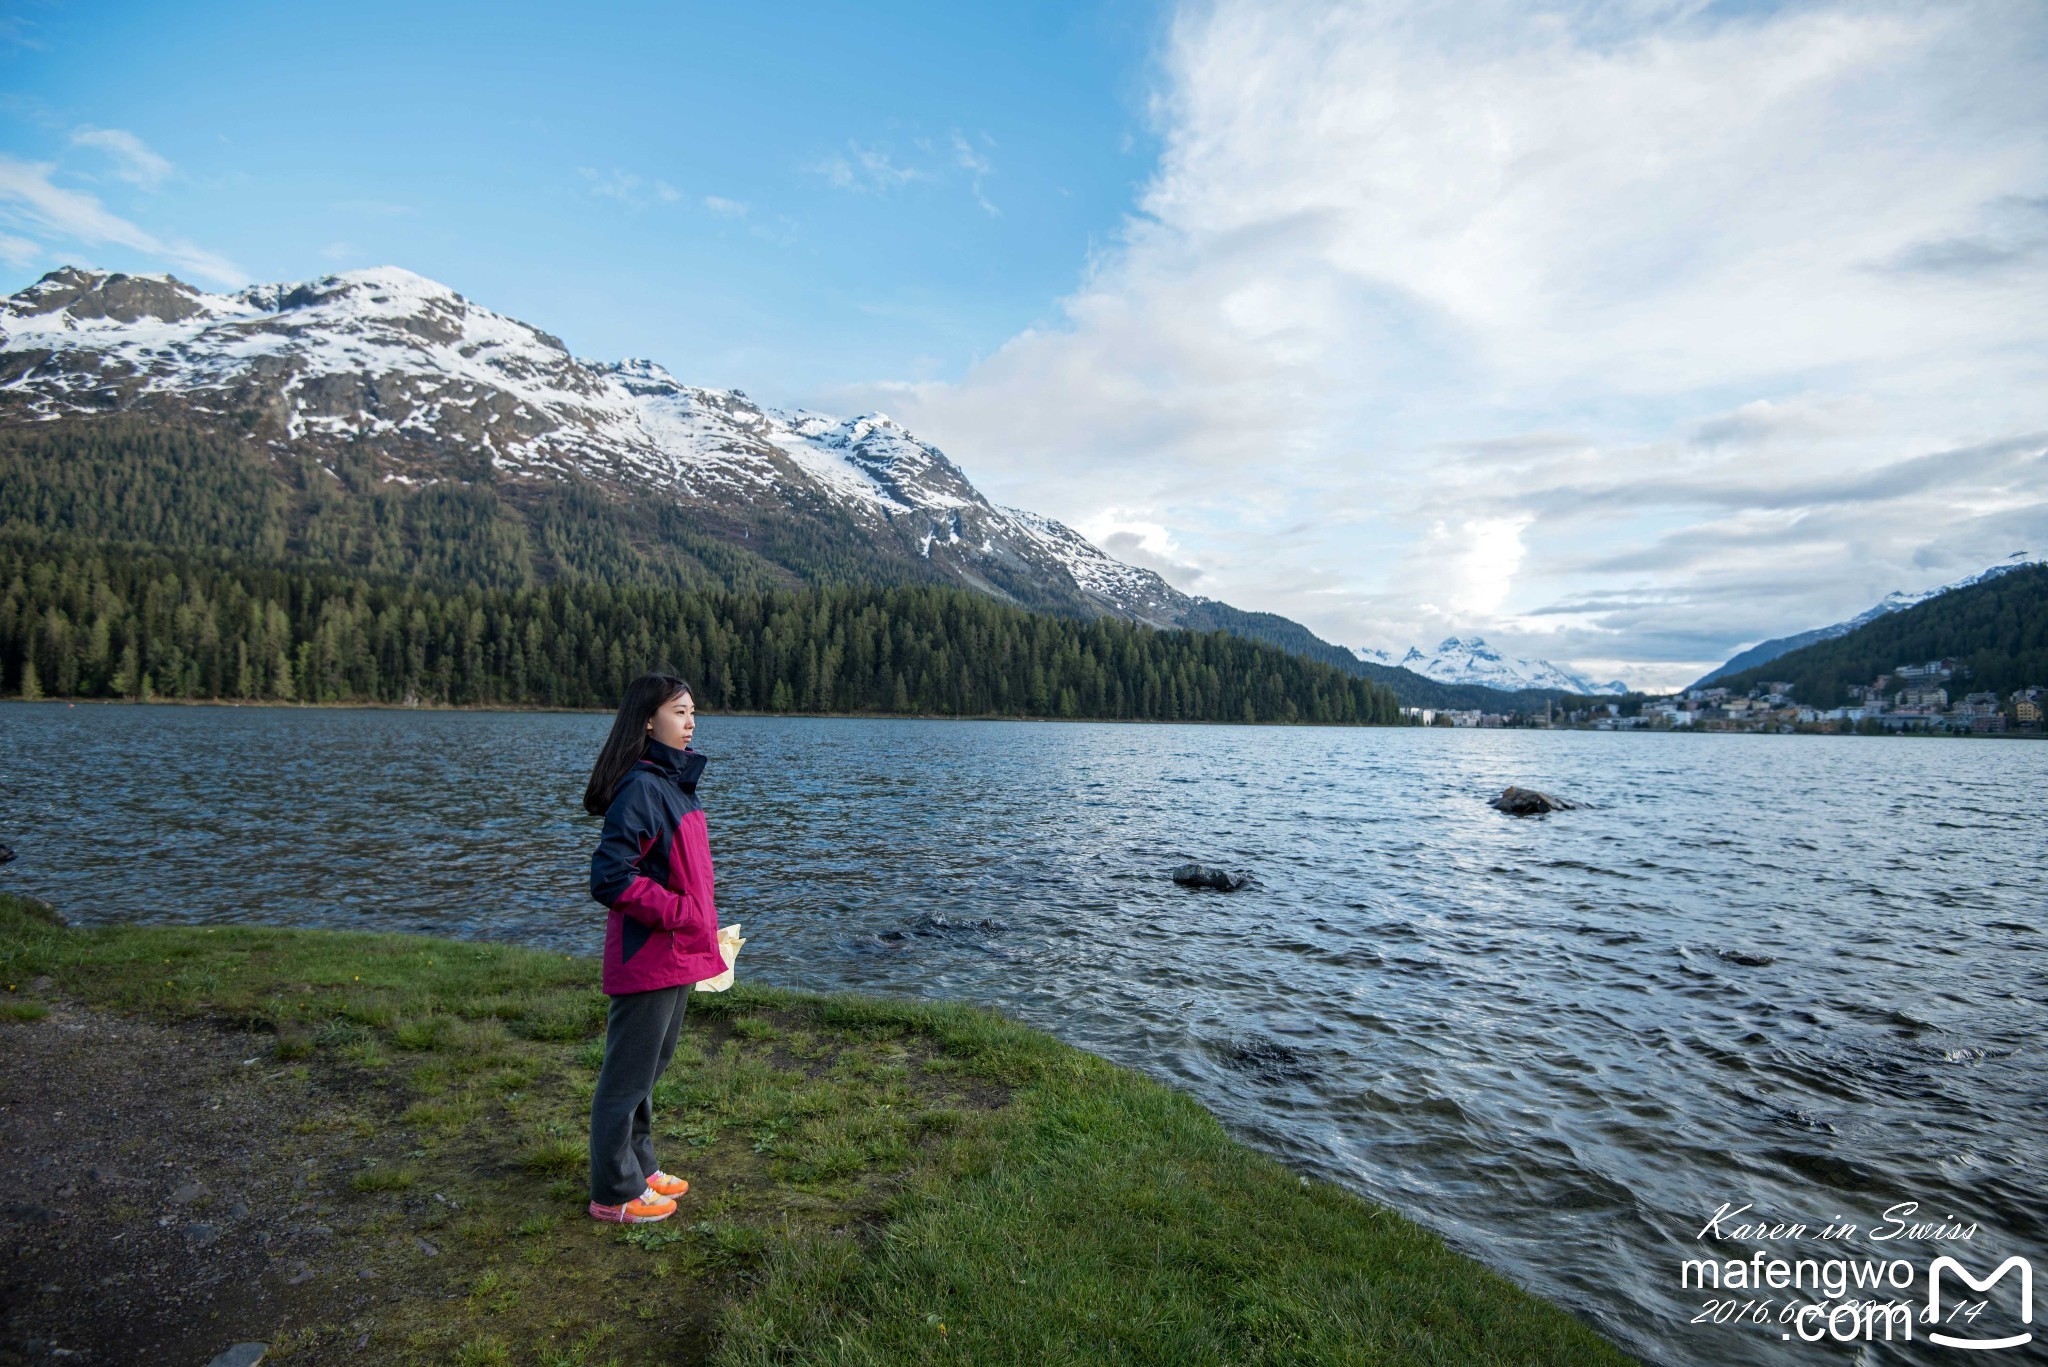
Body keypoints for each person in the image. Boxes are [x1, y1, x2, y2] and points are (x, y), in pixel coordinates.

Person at [581, 672, 727, 1224]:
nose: (690, 724)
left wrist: (700, 922)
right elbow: (610, 877)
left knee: (648, 1069)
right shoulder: (643, 787)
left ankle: (640, 1167)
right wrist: (682, 913)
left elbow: (678, 871)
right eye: (679, 712)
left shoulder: (671, 784)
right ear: (648, 719)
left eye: (693, 713)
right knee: (625, 1079)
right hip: (648, 955)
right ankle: (613, 1191)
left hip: (677, 952)